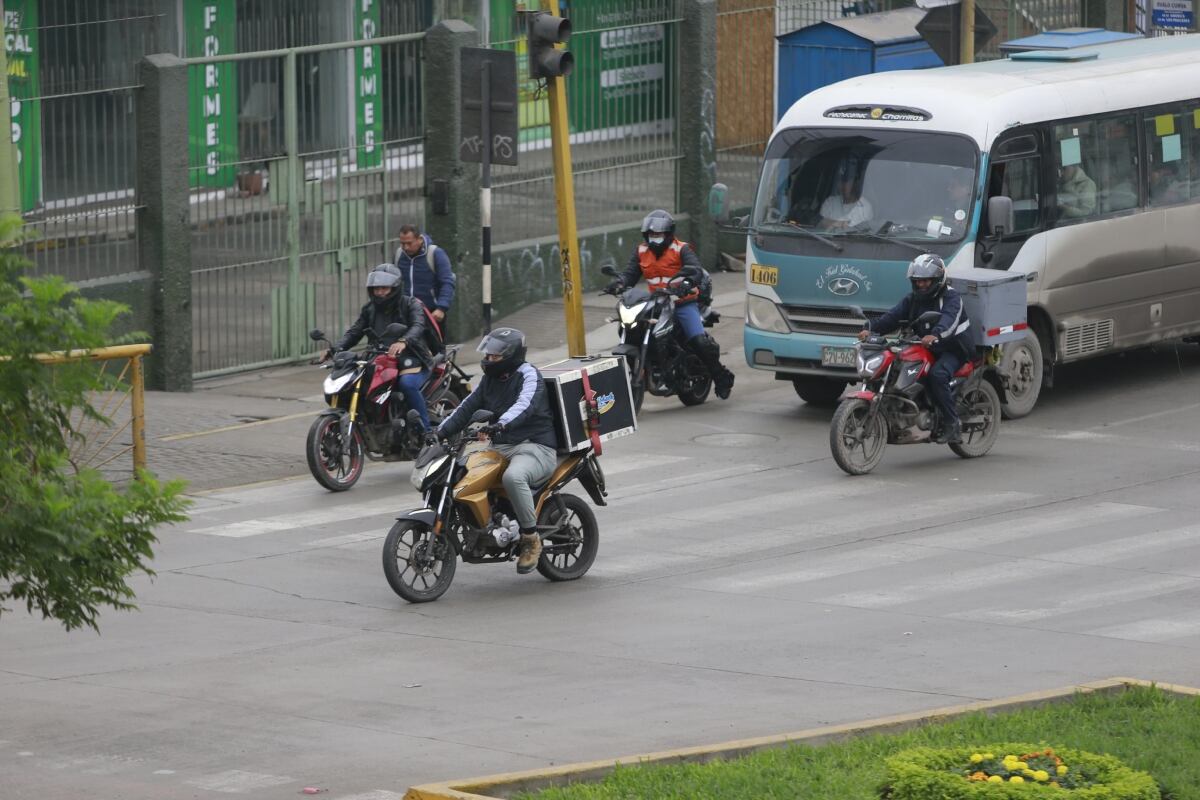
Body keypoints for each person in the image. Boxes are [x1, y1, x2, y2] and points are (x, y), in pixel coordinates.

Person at [432, 328, 558, 575]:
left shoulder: (528, 375)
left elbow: (525, 406)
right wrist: (438, 432)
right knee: (462, 472)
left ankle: (531, 539)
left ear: (511, 355)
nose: (488, 359)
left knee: (514, 477)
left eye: (494, 356)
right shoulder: (489, 380)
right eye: (487, 355)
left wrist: (500, 424)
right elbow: (466, 408)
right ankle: (484, 524)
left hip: (535, 446)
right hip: (501, 446)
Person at [605, 209, 735, 399]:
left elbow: (696, 270)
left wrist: (687, 283)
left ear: (668, 234)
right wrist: (619, 283)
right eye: (651, 235)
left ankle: (721, 376)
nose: (654, 238)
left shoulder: (681, 249)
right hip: (656, 303)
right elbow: (630, 274)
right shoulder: (641, 251)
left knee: (698, 340)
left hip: (682, 303)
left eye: (658, 235)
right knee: (633, 326)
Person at [857, 254, 974, 444]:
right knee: (898, 366)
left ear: (938, 279)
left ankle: (953, 424)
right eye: (918, 281)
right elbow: (892, 317)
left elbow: (949, 321)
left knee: (937, 375)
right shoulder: (913, 299)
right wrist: (869, 327)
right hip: (926, 346)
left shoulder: (952, 297)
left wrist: (935, 334)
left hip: (954, 348)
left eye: (926, 281)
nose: (921, 285)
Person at [326, 263, 433, 435]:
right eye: (376, 289)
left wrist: (403, 341)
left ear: (395, 287)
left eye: (384, 288)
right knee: (356, 382)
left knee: (407, 384)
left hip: (412, 358)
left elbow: (418, 325)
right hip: (381, 358)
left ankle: (426, 432)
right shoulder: (370, 309)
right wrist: (336, 348)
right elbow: (355, 331)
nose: (380, 292)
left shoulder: (410, 304)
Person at [395, 223, 457, 341]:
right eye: (402, 243)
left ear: (419, 239)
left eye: (409, 243)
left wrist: (441, 308)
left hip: (431, 313)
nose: (406, 247)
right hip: (406, 312)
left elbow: (447, 282)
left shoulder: (435, 254)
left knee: (435, 350)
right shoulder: (399, 255)